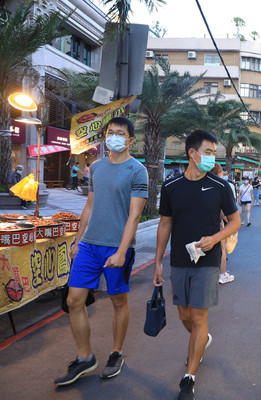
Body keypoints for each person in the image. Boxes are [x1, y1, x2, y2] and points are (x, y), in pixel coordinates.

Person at [55, 116, 148, 386]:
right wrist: (76, 240)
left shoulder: (137, 170)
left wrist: (121, 252)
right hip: (89, 245)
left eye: (120, 133)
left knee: (118, 301)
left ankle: (116, 353)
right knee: (74, 301)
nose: (113, 137)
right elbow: (89, 206)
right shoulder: (96, 167)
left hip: (117, 247)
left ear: (131, 140)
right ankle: (85, 358)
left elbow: (134, 215)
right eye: (110, 132)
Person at [153, 130, 240, 400]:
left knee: (199, 318)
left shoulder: (220, 186)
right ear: (192, 153)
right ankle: (202, 339)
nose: (213, 157)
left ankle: (189, 376)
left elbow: (235, 221)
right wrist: (157, 261)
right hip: (179, 260)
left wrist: (214, 239)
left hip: (208, 262)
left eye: (215, 152)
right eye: (209, 151)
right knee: (184, 316)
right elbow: (165, 223)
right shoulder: (171, 187)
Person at [210, 164, 235, 284]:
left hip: (202, 225)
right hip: (217, 225)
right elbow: (223, 212)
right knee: (222, 250)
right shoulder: (221, 186)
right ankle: (223, 274)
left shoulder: (201, 184)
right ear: (219, 173)